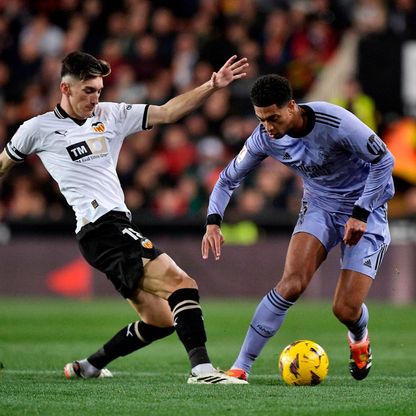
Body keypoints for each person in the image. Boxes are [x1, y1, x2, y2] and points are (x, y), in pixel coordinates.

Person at [0, 51, 249, 385]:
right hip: (100, 227)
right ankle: (202, 371)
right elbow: (4, 164)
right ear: (65, 88)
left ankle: (89, 365)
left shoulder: (110, 114)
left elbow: (168, 112)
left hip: (114, 229)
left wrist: (211, 86)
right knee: (182, 284)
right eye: (88, 90)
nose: (95, 98)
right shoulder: (37, 128)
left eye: (99, 90)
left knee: (160, 320)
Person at [201, 74, 394, 382]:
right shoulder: (264, 137)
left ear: (291, 107)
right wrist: (213, 221)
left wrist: (361, 211)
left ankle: (359, 336)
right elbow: (227, 179)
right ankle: (241, 367)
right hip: (319, 208)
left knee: (345, 309)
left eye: (274, 118)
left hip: (365, 210)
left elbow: (384, 160)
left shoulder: (337, 122)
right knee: (291, 283)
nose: (268, 127)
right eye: (261, 119)